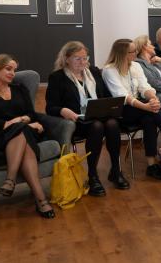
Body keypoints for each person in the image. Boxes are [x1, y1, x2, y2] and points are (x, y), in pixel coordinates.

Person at [102, 39, 161, 180]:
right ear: (122, 54)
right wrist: (146, 106)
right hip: (121, 110)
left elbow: (144, 87)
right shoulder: (109, 70)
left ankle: (151, 165)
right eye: (132, 52)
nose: (135, 53)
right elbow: (122, 96)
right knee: (149, 111)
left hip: (139, 108)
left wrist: (153, 99)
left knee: (149, 118)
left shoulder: (135, 66)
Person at [46, 41, 129, 196]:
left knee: (112, 123)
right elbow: (50, 107)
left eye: (85, 58)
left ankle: (116, 170)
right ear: (66, 59)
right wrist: (63, 110)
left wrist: (110, 106)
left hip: (98, 116)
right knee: (96, 126)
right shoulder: (57, 77)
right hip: (76, 121)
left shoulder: (93, 72)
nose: (82, 62)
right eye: (77, 58)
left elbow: (106, 96)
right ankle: (92, 175)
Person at [0, 54, 55, 218]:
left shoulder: (19, 89)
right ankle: (41, 200)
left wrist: (23, 122)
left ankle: (10, 180)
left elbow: (31, 114)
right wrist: (16, 122)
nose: (12, 73)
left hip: (27, 131)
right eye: (8, 69)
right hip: (0, 137)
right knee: (21, 133)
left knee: (21, 130)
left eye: (14, 70)